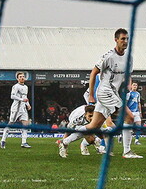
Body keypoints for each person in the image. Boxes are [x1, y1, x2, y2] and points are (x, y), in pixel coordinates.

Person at [60, 28, 139, 158]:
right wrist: (91, 94)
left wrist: (128, 85)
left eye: (127, 39)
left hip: (113, 93)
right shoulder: (108, 56)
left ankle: (64, 142)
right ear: (116, 40)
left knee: (93, 126)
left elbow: (127, 75)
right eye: (122, 39)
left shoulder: (128, 58)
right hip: (105, 92)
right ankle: (127, 151)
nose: (125, 41)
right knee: (129, 117)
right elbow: (93, 73)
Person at [1, 72, 32, 149]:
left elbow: (25, 97)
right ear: (17, 78)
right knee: (10, 124)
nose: (22, 78)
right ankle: (3, 140)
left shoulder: (26, 87)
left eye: (23, 76)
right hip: (16, 108)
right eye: (20, 77)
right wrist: (22, 100)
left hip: (23, 108)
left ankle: (24, 142)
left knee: (25, 124)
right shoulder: (16, 86)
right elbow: (12, 96)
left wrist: (28, 104)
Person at [127, 81, 143, 146]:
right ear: (131, 86)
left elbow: (139, 103)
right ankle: (121, 135)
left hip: (136, 112)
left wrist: (140, 112)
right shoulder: (129, 93)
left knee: (139, 126)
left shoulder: (138, 94)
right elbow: (126, 103)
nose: (135, 86)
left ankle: (136, 140)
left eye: (136, 85)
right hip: (130, 112)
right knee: (128, 127)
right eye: (134, 85)